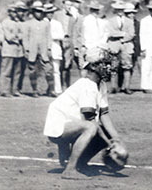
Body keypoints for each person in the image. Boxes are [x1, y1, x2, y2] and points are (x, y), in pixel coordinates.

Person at [43, 47, 127, 180]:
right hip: (58, 128)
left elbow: (104, 114)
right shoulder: (87, 85)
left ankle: (79, 163)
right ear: (93, 66)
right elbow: (89, 120)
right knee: (91, 127)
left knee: (102, 131)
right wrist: (110, 145)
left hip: (70, 124)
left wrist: (116, 140)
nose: (108, 67)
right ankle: (70, 169)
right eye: (104, 63)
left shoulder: (100, 85)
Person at [22, 2, 54, 97]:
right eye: (37, 11)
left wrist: (49, 48)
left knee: (49, 70)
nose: (39, 13)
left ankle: (51, 90)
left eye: (40, 11)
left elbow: (49, 37)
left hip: (43, 51)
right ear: (33, 12)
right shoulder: (28, 24)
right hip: (32, 51)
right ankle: (35, 90)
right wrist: (26, 49)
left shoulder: (46, 24)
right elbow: (25, 37)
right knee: (33, 71)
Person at [106, 0, 136, 94]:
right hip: (114, 45)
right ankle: (113, 87)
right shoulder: (110, 21)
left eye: (121, 9)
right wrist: (122, 34)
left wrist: (123, 39)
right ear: (115, 10)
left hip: (126, 45)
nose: (120, 11)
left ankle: (126, 87)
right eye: (118, 9)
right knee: (113, 67)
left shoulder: (129, 21)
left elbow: (131, 34)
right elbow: (110, 33)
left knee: (127, 66)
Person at [0, 3, 25, 97]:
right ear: (9, 13)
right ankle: (5, 90)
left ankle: (15, 90)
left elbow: (23, 35)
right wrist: (17, 37)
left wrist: (17, 37)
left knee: (17, 72)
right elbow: (9, 37)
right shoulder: (5, 22)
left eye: (16, 12)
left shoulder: (18, 23)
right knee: (7, 71)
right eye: (13, 12)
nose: (15, 14)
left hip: (18, 52)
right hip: (8, 51)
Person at [59, 0, 84, 88]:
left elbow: (79, 31)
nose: (76, 4)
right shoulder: (62, 15)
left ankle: (83, 86)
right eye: (74, 2)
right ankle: (64, 86)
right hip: (65, 42)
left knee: (81, 65)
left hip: (76, 43)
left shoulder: (79, 16)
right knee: (65, 65)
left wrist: (79, 45)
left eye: (78, 2)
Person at [46, 3, 66, 95]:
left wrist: (51, 36)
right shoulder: (43, 23)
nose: (49, 14)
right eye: (47, 13)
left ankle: (57, 89)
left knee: (56, 71)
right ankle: (48, 89)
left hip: (55, 47)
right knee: (46, 70)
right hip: (45, 49)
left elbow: (61, 35)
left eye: (51, 12)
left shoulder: (57, 23)